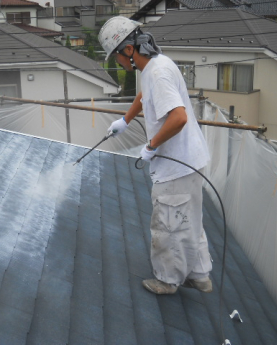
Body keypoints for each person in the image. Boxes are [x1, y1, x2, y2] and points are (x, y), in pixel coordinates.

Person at [99, 16, 213, 294]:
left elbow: (178, 118)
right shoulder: (155, 66)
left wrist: (151, 146)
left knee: (168, 223)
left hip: (176, 165)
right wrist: (125, 121)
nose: (119, 63)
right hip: (192, 160)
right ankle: (199, 275)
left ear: (128, 49)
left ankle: (167, 280)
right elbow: (143, 95)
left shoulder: (158, 73)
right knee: (190, 218)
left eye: (117, 56)